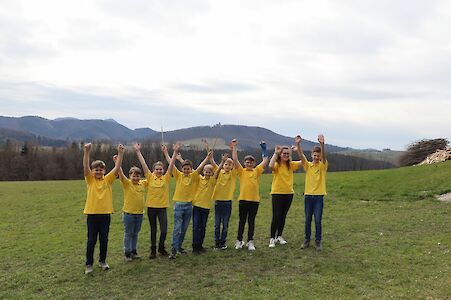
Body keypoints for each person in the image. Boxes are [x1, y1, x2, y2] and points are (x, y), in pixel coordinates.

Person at [83, 143, 124, 274]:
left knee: (104, 240)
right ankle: (89, 264)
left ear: (104, 171)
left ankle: (102, 261)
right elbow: (85, 166)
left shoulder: (108, 180)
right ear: (92, 171)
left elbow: (117, 168)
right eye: (96, 170)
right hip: (92, 215)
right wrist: (86, 152)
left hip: (105, 215)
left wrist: (121, 153)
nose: (98, 172)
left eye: (101, 170)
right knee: (91, 240)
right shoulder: (90, 180)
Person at [134, 143, 177, 259]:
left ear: (163, 170)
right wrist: (138, 151)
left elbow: (172, 164)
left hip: (162, 207)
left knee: (163, 230)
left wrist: (173, 152)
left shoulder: (166, 177)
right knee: (153, 230)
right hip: (151, 208)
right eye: (157, 169)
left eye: (160, 169)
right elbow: (143, 164)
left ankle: (161, 248)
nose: (159, 171)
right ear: (153, 170)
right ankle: (153, 250)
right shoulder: (149, 177)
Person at [169, 145, 210, 259]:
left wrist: (207, 158)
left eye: (188, 169)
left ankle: (179, 247)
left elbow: (201, 167)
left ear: (191, 169)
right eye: (184, 168)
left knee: (184, 229)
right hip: (179, 206)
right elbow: (171, 164)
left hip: (189, 207)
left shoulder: (193, 176)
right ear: (182, 169)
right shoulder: (178, 176)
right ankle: (173, 250)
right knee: (177, 228)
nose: (186, 170)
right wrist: (173, 153)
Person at [231, 139, 269, 251]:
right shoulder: (241, 171)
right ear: (244, 163)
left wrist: (264, 148)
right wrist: (234, 147)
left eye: (251, 162)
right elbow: (235, 159)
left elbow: (266, 160)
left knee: (251, 222)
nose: (249, 164)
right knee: (242, 221)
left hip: (254, 201)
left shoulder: (256, 171)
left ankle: (250, 242)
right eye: (247, 162)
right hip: (243, 200)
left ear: (254, 163)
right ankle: (239, 241)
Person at [295, 135, 328, 251]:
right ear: (311, 155)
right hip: (308, 196)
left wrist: (322, 144)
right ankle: (307, 240)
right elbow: (300, 155)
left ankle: (318, 241)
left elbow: (324, 157)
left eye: (318, 155)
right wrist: (298, 144)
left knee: (318, 220)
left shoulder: (323, 165)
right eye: (314, 155)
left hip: (319, 197)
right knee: (308, 219)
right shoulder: (308, 166)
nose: (316, 157)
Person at [268, 141, 303, 248]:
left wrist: (298, 150)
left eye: (288, 154)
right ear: (280, 154)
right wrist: (275, 153)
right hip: (277, 193)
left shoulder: (291, 165)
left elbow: (303, 162)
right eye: (284, 153)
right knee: (276, 216)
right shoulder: (277, 165)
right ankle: (272, 238)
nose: (286, 155)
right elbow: (270, 166)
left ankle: (279, 236)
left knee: (283, 216)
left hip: (288, 194)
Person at [115, 158, 147, 262]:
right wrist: (118, 162)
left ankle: (134, 251)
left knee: (135, 233)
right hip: (129, 214)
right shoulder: (127, 183)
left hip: (139, 214)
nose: (136, 178)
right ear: (130, 176)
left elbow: (151, 177)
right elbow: (121, 174)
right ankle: (127, 253)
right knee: (128, 233)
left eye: (138, 176)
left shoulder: (143, 184)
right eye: (134, 176)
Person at [191, 150, 218, 254]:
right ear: (203, 172)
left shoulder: (212, 181)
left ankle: (200, 245)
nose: (207, 173)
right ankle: (195, 246)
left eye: (209, 172)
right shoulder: (199, 178)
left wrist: (212, 160)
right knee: (196, 226)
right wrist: (207, 158)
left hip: (206, 207)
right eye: (206, 171)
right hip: (197, 206)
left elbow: (218, 170)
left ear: (211, 173)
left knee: (203, 227)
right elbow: (197, 169)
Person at [211, 151, 237, 250]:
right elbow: (215, 169)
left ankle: (223, 242)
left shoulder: (233, 174)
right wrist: (221, 162)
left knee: (225, 225)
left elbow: (235, 162)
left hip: (227, 203)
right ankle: (217, 242)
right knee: (217, 224)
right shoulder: (219, 171)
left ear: (232, 166)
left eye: (230, 164)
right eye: (226, 164)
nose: (227, 165)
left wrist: (233, 149)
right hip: (218, 202)